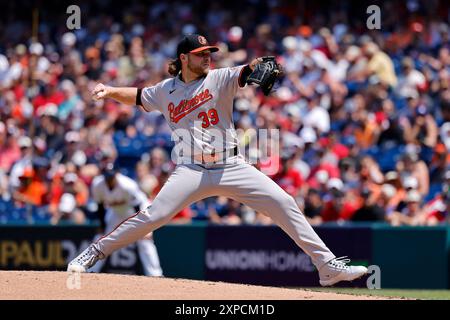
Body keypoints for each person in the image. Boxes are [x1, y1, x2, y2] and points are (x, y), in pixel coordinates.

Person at [68, 34, 367, 287]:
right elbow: (137, 96)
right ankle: (93, 253)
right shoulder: (165, 90)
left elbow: (248, 70)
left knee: (284, 202)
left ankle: (326, 266)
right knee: (152, 217)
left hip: (230, 165)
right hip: (191, 169)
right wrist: (109, 91)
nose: (208, 57)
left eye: (209, 52)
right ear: (184, 58)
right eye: (201, 54)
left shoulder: (220, 77)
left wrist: (260, 64)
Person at [88, 162, 163, 277]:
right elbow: (100, 207)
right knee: (101, 239)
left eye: (111, 176)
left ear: (117, 174)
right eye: (107, 176)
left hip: (138, 210)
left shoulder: (127, 185)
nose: (109, 180)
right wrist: (103, 227)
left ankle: (155, 274)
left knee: (145, 240)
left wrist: (142, 228)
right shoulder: (98, 185)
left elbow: (138, 205)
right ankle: (90, 270)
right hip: (116, 212)